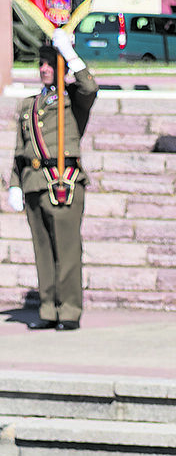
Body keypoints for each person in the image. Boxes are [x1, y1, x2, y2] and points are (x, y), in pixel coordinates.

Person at [9, 30, 96, 331]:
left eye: (51, 64)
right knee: (42, 250)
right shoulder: (29, 105)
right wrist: (15, 183)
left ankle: (69, 311)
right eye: (42, 65)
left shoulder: (73, 98)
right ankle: (48, 309)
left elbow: (90, 86)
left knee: (67, 250)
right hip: (33, 181)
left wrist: (70, 56)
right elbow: (20, 149)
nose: (45, 69)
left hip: (63, 182)